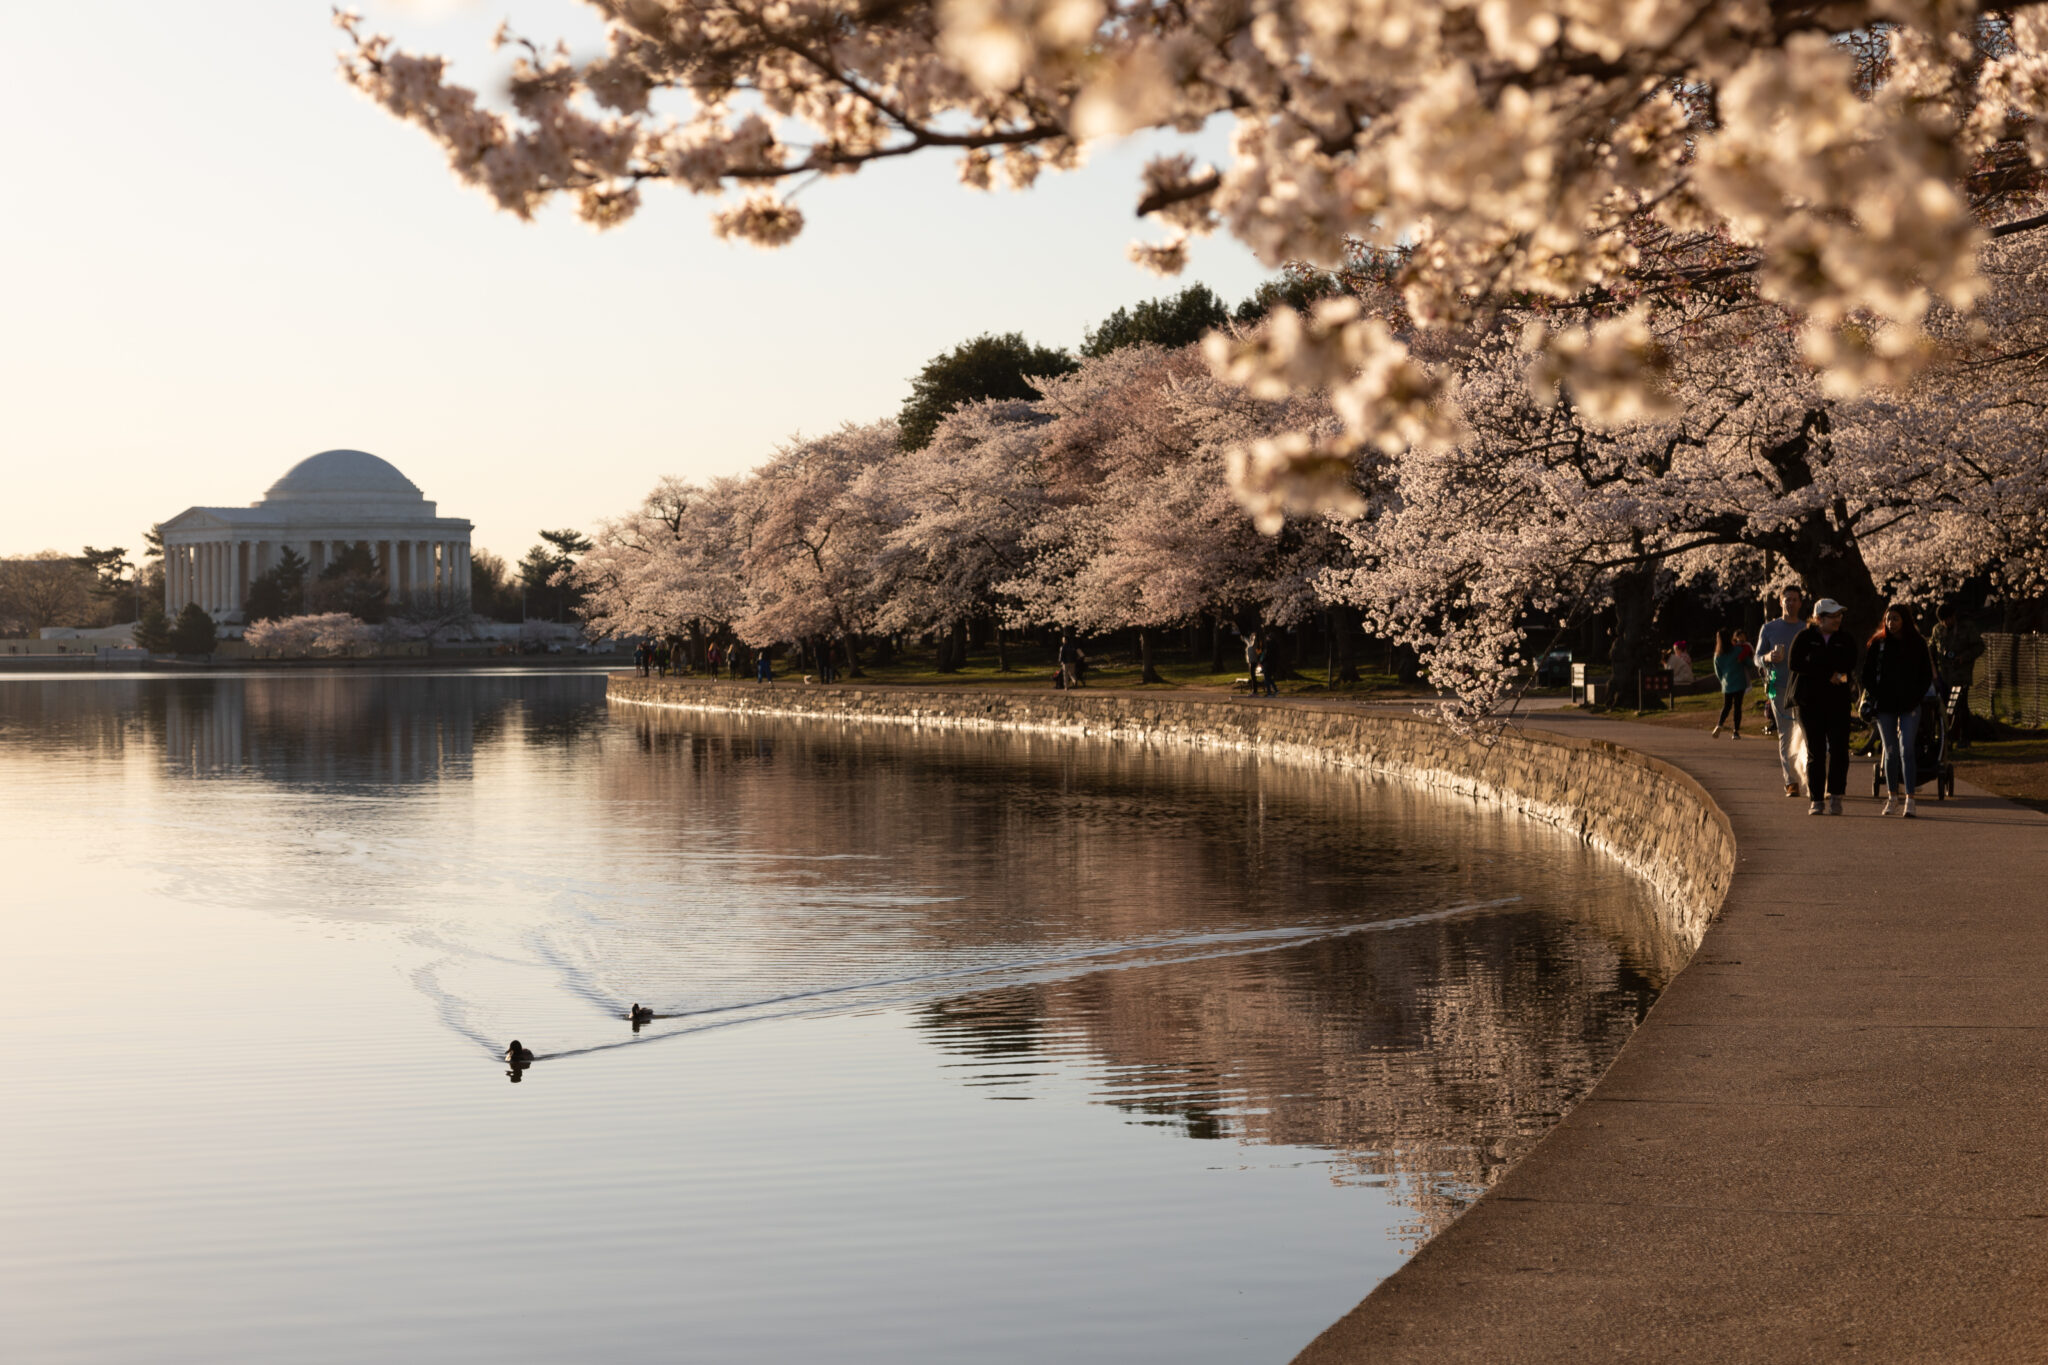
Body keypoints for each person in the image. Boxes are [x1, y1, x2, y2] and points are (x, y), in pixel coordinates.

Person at [1862, 603, 1936, 818]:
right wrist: (1876, 693)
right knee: (1890, 750)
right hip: (1885, 704)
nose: (1891, 623)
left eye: (1895, 619)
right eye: (1888, 619)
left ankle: (1910, 798)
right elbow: (1866, 674)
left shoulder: (1917, 644)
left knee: (1907, 749)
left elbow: (1925, 675)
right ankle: (1892, 795)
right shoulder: (1878, 644)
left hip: (1910, 704)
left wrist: (1915, 697)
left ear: (1904, 620)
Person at [1789, 597, 1860, 815]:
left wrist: (1836, 674)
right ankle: (1816, 799)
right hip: (1809, 702)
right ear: (1819, 618)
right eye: (1832, 616)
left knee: (1839, 750)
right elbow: (1796, 663)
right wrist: (1826, 673)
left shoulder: (1845, 639)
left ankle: (1836, 795)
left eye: (1839, 615)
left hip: (1837, 701)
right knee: (1816, 751)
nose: (1837, 620)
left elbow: (1849, 664)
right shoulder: (1805, 637)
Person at [1755, 586, 1807, 796]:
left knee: (1805, 731)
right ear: (1780, 602)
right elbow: (1757, 657)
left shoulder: (1806, 629)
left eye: (1794, 599)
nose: (1790, 603)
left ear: (1800, 603)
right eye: (1787, 599)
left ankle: (1809, 774)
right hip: (1777, 685)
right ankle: (1791, 781)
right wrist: (1767, 658)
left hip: (1802, 687)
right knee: (1785, 732)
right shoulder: (1769, 629)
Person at [1930, 602, 1983, 749]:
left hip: (1961, 674)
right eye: (1943, 620)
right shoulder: (1938, 630)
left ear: (1954, 616)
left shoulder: (1967, 628)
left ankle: (1964, 737)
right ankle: (1945, 737)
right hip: (1943, 675)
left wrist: (1963, 657)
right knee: (1943, 707)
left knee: (1961, 707)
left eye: (1948, 619)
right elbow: (1932, 648)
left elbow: (1979, 646)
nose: (1946, 623)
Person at [1710, 628, 1749, 738]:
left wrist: (1723, 681)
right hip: (1739, 682)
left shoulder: (1717, 655)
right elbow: (1748, 663)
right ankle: (1735, 731)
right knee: (1737, 707)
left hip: (1727, 684)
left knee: (1726, 706)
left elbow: (1718, 672)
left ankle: (1720, 724)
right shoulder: (1738, 650)